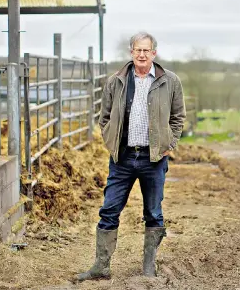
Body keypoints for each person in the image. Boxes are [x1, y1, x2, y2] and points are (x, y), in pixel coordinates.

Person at [76, 32, 186, 281]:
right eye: (138, 50)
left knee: (153, 212)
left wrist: (171, 143)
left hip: (154, 159)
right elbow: (104, 117)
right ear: (131, 52)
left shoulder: (169, 81)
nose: (142, 54)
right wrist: (110, 141)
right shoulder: (116, 81)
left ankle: (149, 267)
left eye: (147, 50)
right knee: (109, 209)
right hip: (122, 158)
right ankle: (101, 267)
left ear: (154, 53)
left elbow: (178, 116)